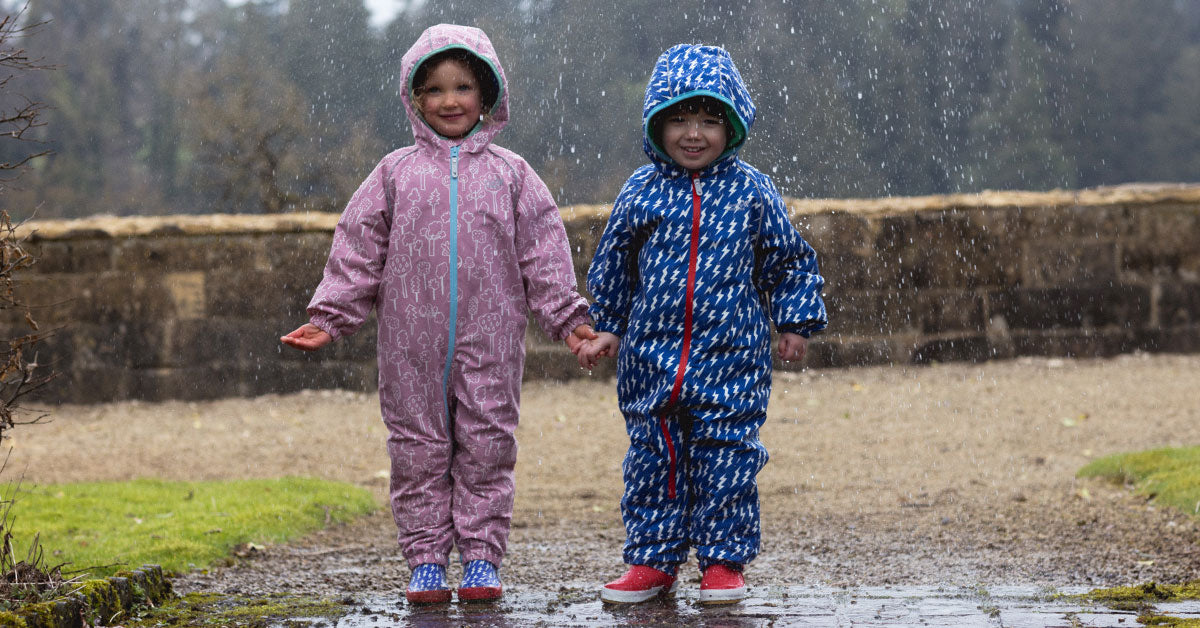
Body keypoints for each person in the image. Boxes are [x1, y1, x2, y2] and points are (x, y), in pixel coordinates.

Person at [281, 23, 595, 605]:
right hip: (409, 345)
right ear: (414, 98)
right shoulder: (393, 173)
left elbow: (544, 256)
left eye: (463, 87)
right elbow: (358, 251)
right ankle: (426, 557)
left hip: (492, 341)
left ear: (488, 95)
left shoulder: (513, 175)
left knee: (488, 445)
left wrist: (569, 321)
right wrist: (330, 316)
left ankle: (480, 556)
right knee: (417, 448)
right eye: (434, 90)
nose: (450, 101)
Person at [575, 44, 828, 605]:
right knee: (653, 458)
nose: (694, 133)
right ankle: (652, 560)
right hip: (651, 360)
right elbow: (614, 262)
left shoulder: (752, 191)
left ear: (732, 124)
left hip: (731, 358)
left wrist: (795, 320)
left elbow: (786, 259)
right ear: (657, 123)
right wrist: (609, 325)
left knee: (727, 458)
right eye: (680, 119)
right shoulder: (641, 191)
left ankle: (722, 561)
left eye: (710, 120)